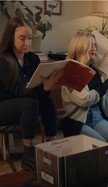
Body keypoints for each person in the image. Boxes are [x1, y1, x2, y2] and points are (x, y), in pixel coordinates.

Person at [0, 17, 63, 171]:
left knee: (49, 102)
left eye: (29, 38)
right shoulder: (3, 60)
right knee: (30, 103)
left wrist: (47, 87)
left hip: (26, 104)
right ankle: (28, 154)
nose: (27, 43)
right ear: (10, 38)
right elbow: (19, 90)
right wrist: (44, 88)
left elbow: (36, 88)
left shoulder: (32, 58)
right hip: (4, 106)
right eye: (22, 38)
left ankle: (51, 146)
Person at [61, 31, 108, 144]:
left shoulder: (95, 67)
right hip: (77, 120)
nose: (94, 48)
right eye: (90, 45)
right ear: (80, 47)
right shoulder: (70, 71)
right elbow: (85, 100)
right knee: (102, 146)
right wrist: (107, 84)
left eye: (95, 44)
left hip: (97, 115)